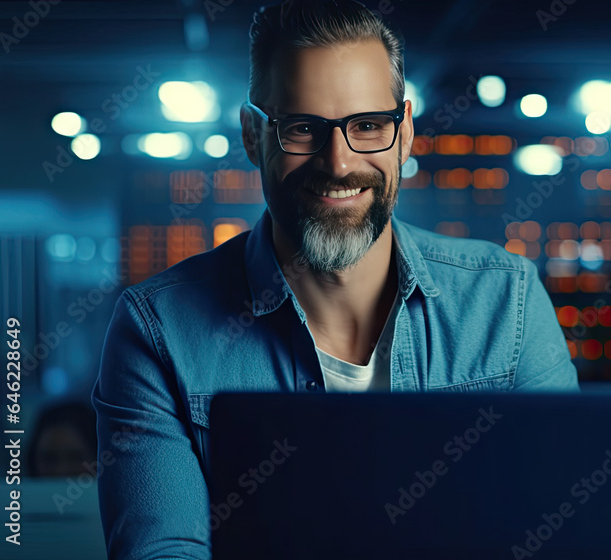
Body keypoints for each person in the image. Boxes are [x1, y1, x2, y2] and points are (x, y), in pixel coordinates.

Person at [91, 0, 578, 557]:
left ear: (406, 133)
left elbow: (560, 532)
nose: (339, 163)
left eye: (368, 126)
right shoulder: (157, 331)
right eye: (302, 129)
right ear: (254, 136)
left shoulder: (506, 302)